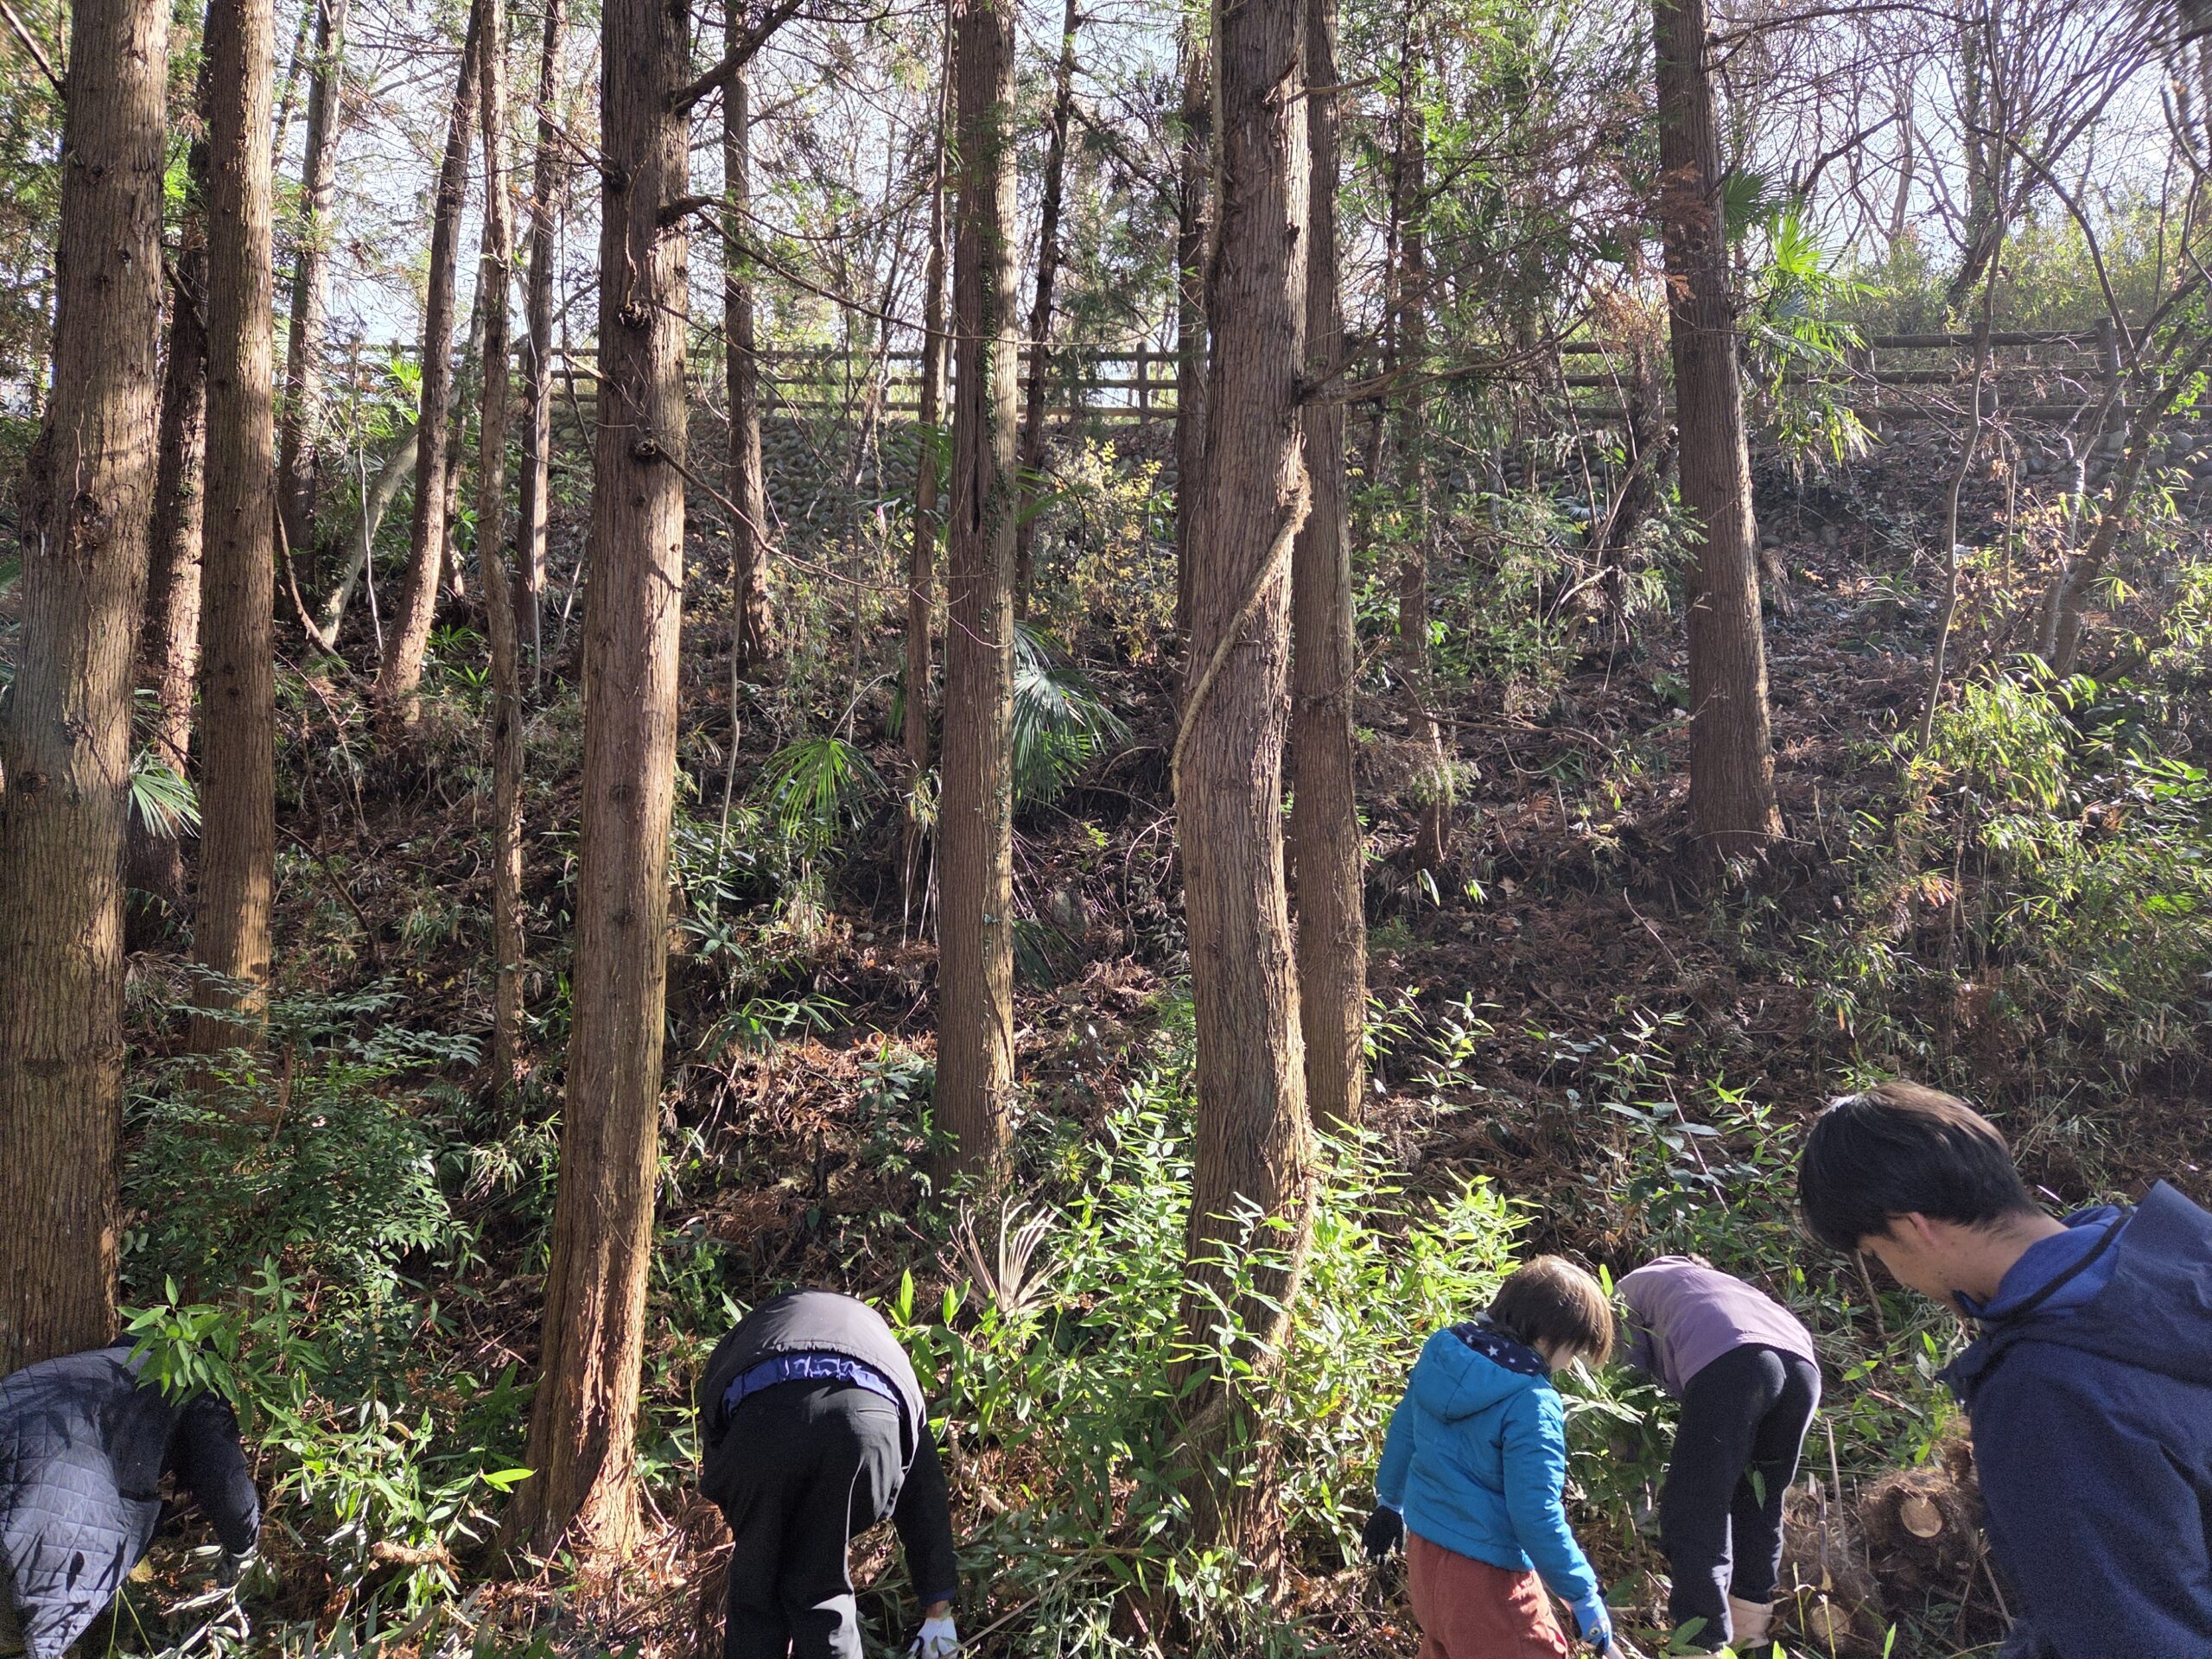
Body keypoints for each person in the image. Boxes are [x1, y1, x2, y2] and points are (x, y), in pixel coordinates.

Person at [1798, 1080, 2212, 1658]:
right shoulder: (2179, 1262)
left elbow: (2126, 1631)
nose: (1895, 1275)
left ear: (1914, 1228)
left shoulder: (2049, 1389)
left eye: (1878, 1254)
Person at [1361, 1256, 1618, 1658]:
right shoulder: (1531, 1401)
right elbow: (1536, 1514)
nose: (1569, 1364)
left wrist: (1388, 1502)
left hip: (1425, 1558)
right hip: (1489, 1579)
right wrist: (1583, 1595)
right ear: (1547, 1335)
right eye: (1573, 1349)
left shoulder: (1441, 1351)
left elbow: (1404, 1431)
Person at [697, 1289, 961, 1659]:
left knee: (756, 1591)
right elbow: (924, 1487)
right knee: (821, 1593)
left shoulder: (750, 1333)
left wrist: (759, 1527)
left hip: (763, 1421)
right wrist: (939, 1610)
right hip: (870, 1427)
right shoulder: (884, 1345)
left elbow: (715, 1437)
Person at [0, 1343, 260, 1659]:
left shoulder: (104, 1362)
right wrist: (243, 1552)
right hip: (40, 1526)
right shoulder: (197, 1390)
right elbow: (227, 1482)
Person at [1617, 1256, 1819, 1653]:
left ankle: (1703, 1643)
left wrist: (1634, 1484)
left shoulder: (1628, 1288)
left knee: (1695, 1507)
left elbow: (1629, 1391)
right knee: (1759, 1503)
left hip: (1734, 1359)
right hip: (1804, 1367)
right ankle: (1751, 1637)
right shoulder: (1730, 1286)